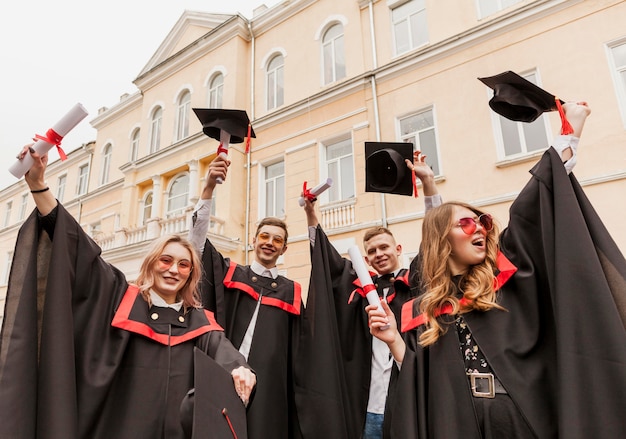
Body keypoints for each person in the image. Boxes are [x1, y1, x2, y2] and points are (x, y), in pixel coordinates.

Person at [367, 101, 626, 438]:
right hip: (458, 423)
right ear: (442, 240)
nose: (480, 229)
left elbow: (531, 209)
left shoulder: (503, 278)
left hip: (515, 418)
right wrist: (392, 341)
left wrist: (569, 136)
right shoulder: (429, 305)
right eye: (466, 223)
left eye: (483, 222)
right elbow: (421, 381)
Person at [0, 146, 256, 439]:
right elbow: (77, 249)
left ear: (191, 275)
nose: (174, 269)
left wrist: (242, 371)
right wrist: (37, 184)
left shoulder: (200, 324)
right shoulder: (122, 299)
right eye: (166, 260)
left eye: (184, 265)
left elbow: (228, 356)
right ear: (151, 265)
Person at [293, 151, 441, 439]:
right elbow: (326, 263)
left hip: (410, 397)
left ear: (398, 250)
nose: (378, 254)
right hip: (368, 404)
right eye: (372, 251)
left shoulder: (416, 281)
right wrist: (311, 214)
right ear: (366, 259)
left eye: (384, 247)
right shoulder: (359, 288)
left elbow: (436, 239)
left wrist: (429, 185)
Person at [188, 154, 302, 439]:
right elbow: (197, 245)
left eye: (277, 240)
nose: (269, 243)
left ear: (284, 249)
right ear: (254, 241)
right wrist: (208, 190)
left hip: (269, 389)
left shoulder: (291, 291)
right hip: (222, 375)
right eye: (264, 236)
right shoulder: (230, 273)